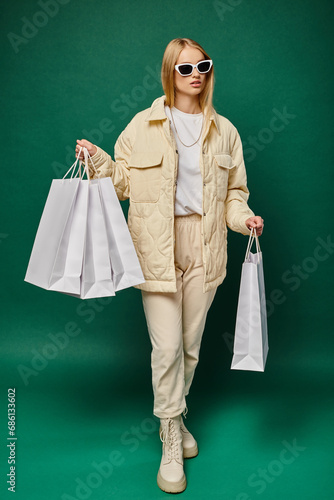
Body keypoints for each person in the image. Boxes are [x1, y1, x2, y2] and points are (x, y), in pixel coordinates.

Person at [75, 37, 264, 494]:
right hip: (156, 247)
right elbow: (121, 183)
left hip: (206, 244)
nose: (195, 74)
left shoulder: (227, 131)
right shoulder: (142, 126)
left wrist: (244, 220)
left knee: (191, 345)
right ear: (169, 73)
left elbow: (235, 193)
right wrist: (97, 159)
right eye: (185, 68)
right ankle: (169, 438)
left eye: (203, 65)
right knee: (166, 348)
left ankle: (176, 418)